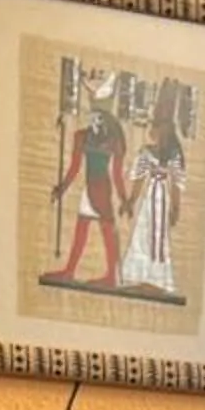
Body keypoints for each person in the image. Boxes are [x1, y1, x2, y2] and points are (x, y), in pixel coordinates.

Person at [49, 74, 128, 287]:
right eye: (93, 115)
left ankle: (110, 276)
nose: (95, 119)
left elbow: (117, 174)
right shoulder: (81, 136)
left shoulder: (114, 139)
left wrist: (124, 199)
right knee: (83, 229)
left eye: (99, 116)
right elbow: (75, 168)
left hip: (101, 190)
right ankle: (71, 271)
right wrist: (61, 188)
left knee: (105, 231)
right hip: (91, 189)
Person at [117, 85, 188, 298]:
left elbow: (176, 183)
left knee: (159, 237)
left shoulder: (174, 155)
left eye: (157, 127)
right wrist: (130, 201)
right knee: (143, 234)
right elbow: (139, 179)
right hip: (150, 201)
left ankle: (157, 279)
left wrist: (176, 207)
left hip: (162, 200)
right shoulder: (147, 152)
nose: (153, 132)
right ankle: (138, 276)